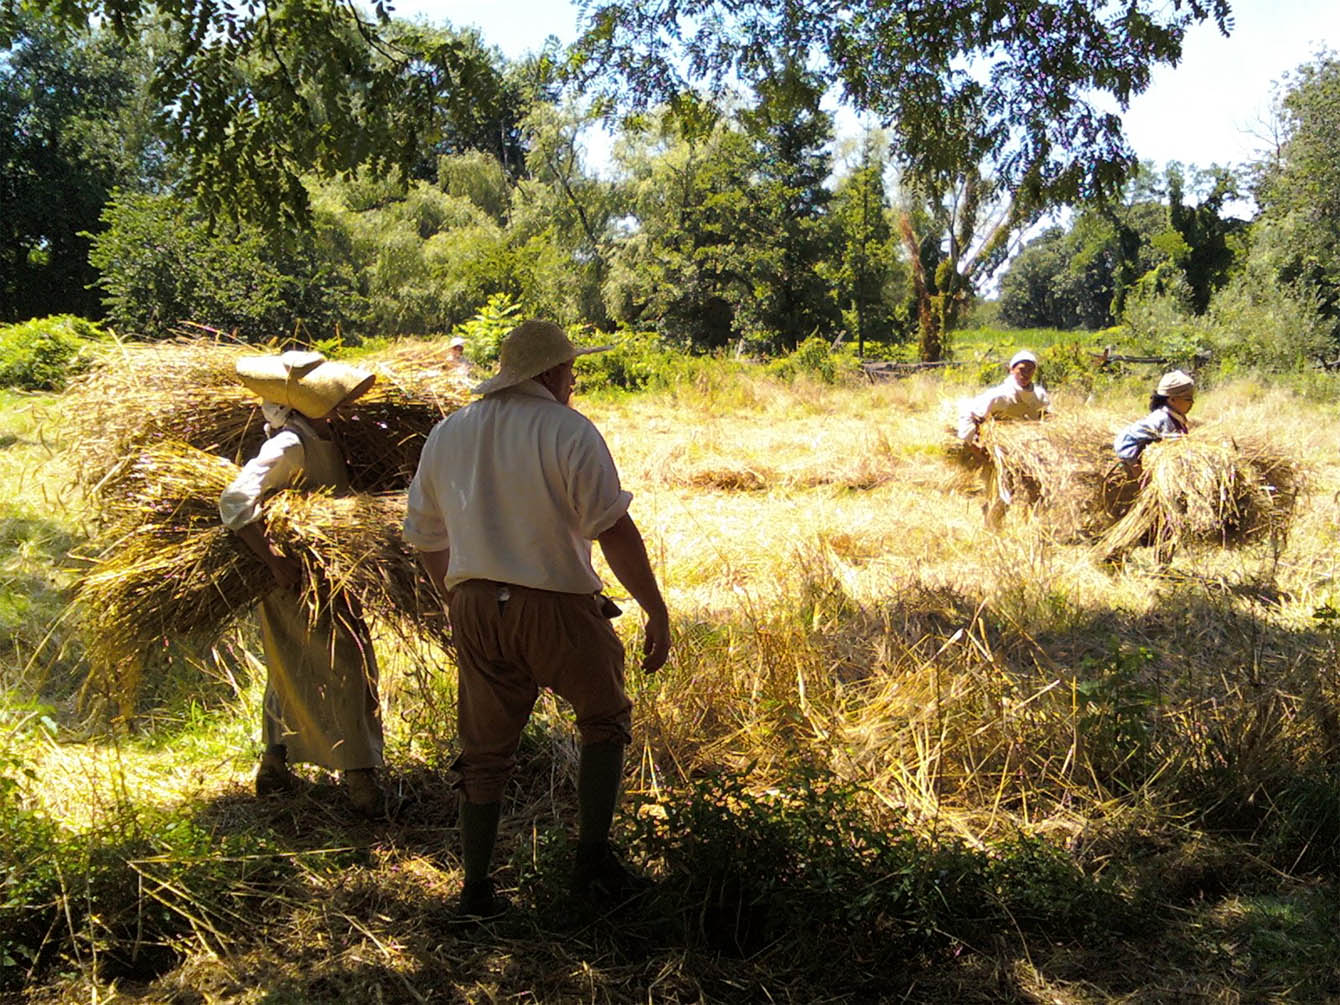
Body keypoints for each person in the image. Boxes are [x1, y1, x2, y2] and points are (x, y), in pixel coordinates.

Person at [403, 319, 671, 919]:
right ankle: (592, 865)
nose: (574, 381)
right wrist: (655, 608)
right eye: (571, 370)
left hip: (474, 603)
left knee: (484, 752)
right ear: (549, 373)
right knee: (604, 718)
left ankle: (476, 892)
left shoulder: (449, 432)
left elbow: (424, 534)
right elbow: (613, 528)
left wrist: (456, 597)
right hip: (553, 606)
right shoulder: (567, 429)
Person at [220, 350, 388, 817]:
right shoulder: (288, 443)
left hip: (330, 578)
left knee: (296, 666)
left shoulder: (321, 436)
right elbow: (233, 501)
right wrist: (273, 560)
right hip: (295, 581)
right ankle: (359, 780)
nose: (340, 404)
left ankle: (274, 765)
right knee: (339, 669)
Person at [956, 349, 1051, 527]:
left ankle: (1035, 528)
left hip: (1027, 449)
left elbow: (1046, 418)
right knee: (1003, 493)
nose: (1026, 374)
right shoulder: (999, 396)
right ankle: (992, 528)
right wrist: (974, 444)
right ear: (1011, 369)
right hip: (999, 450)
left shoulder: (1039, 396)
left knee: (1037, 489)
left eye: (1030, 369)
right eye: (1021, 369)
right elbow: (971, 415)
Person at [1114, 369, 1195, 480]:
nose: (1192, 403)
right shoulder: (1162, 418)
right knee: (1147, 481)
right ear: (1172, 399)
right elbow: (1125, 439)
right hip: (1133, 452)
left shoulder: (1176, 417)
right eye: (1188, 399)